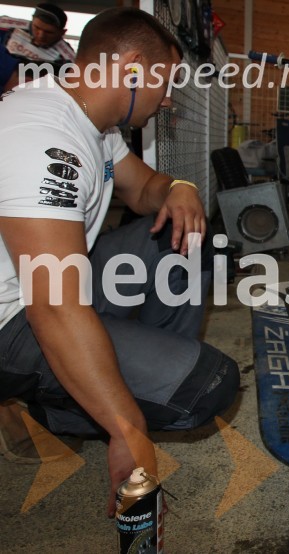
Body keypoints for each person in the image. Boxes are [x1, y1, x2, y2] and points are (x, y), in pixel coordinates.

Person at [0, 7, 239, 518]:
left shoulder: (92, 121)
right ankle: (59, 407)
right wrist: (128, 428)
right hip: (15, 317)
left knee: (190, 237)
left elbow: (144, 187)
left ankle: (122, 375)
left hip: (54, 286)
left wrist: (180, 188)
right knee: (208, 386)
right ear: (131, 69)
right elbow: (53, 306)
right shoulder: (43, 139)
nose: (168, 98)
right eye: (165, 82)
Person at [1, 3, 76, 89]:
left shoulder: (68, 58)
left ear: (62, 32)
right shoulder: (6, 25)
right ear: (32, 20)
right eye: (36, 27)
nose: (41, 36)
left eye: (49, 32)